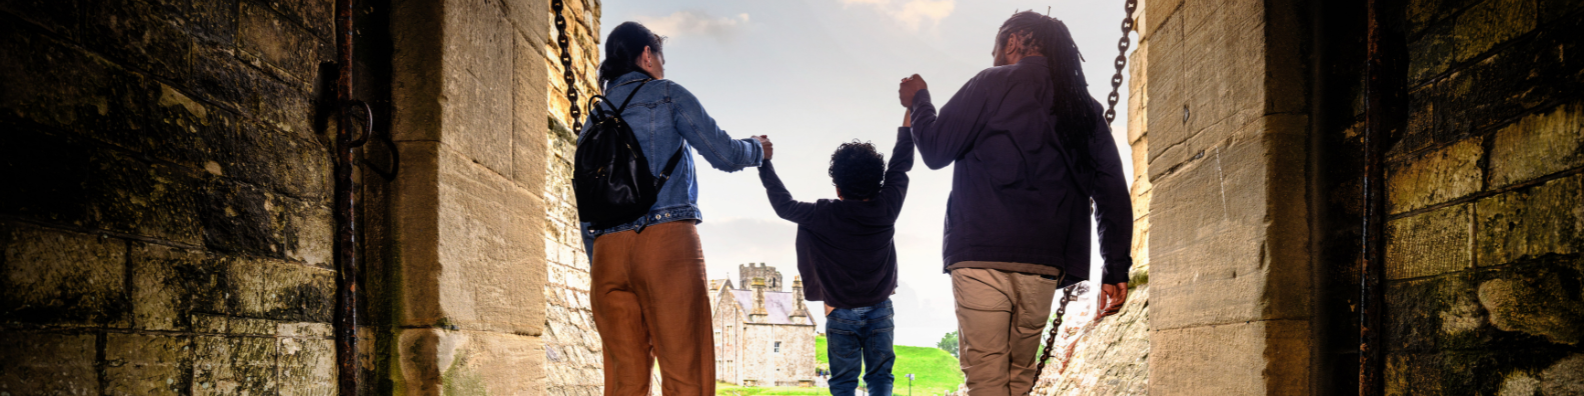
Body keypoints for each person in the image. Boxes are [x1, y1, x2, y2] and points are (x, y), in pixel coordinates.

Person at [896, 11, 1133, 396]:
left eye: (995, 49)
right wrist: (1116, 266)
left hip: (981, 255)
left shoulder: (991, 84)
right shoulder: (1083, 106)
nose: (993, 58)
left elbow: (936, 149)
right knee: (1019, 375)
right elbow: (1111, 189)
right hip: (1043, 264)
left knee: (986, 376)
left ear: (1012, 42)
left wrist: (920, 100)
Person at [580, 21, 772, 396]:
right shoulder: (666, 94)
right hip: (665, 244)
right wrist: (757, 149)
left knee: (624, 383)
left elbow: (587, 202)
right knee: (686, 376)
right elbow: (725, 154)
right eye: (661, 59)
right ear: (647, 56)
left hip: (607, 256)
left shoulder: (592, 120)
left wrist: (599, 263)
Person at [757, 114, 915, 396]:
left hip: (840, 312)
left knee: (843, 382)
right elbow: (900, 167)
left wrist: (764, 162)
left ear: (838, 188)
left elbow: (784, 205)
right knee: (881, 378)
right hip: (880, 310)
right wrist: (908, 122)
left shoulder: (821, 214)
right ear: (878, 183)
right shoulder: (887, 206)